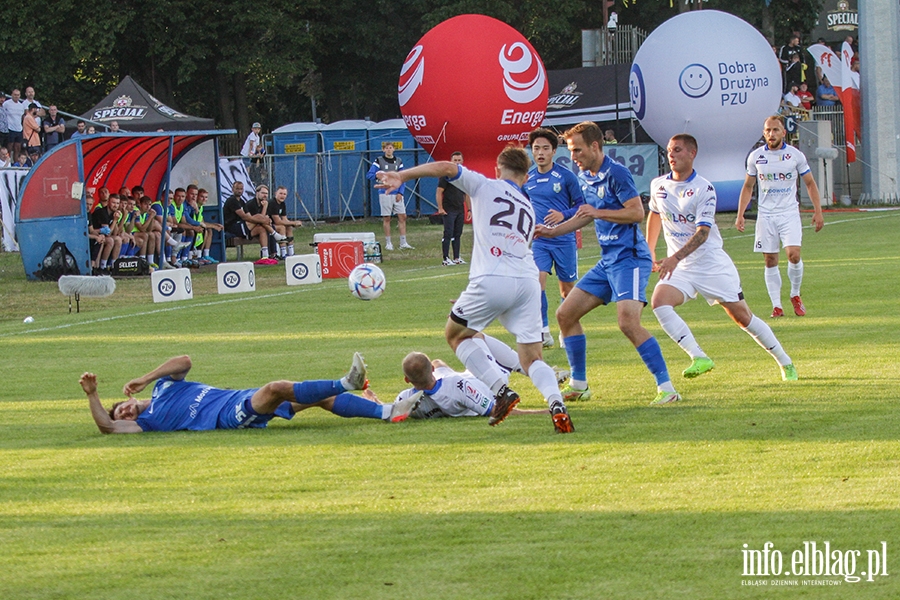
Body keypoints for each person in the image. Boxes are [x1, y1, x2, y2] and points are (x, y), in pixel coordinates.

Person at [377, 146, 574, 433]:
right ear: (526, 176)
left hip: (493, 276)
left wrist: (402, 176)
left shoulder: (485, 184)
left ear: (497, 168)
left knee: (456, 335)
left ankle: (501, 391)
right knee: (532, 358)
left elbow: (446, 168)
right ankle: (557, 404)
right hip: (528, 282)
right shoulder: (528, 207)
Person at [534, 121, 681, 406]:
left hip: (630, 259)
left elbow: (636, 212)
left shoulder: (617, 173)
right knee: (565, 314)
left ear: (595, 146)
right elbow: (585, 215)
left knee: (627, 321)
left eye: (577, 150)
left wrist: (597, 211)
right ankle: (579, 384)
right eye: (570, 150)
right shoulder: (586, 175)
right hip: (608, 261)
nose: (573, 156)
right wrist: (553, 231)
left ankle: (667, 388)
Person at [647, 134, 799, 382]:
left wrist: (673, 258)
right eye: (669, 151)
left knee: (743, 318)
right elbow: (655, 214)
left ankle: (786, 362)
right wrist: (650, 250)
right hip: (682, 267)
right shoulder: (658, 185)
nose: (671, 155)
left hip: (711, 265)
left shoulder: (704, 189)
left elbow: (703, 233)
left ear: (692, 153)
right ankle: (698, 356)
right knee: (660, 303)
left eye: (677, 150)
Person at [78, 353, 423, 434]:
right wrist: (94, 396)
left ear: (128, 398)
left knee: (315, 398)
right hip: (229, 416)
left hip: (236, 396)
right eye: (122, 415)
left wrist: (144, 377)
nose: (123, 414)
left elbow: (184, 360)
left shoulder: (164, 386)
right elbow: (108, 428)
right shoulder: (150, 421)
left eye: (120, 408)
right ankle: (347, 382)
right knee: (275, 388)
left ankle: (385, 412)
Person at [736, 115, 824, 318]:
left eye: (775, 130)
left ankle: (795, 294)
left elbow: (810, 183)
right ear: (763, 133)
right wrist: (740, 214)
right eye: (768, 130)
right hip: (766, 215)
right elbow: (748, 186)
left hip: (789, 213)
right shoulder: (755, 157)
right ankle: (777, 306)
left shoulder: (795, 155)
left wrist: (818, 211)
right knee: (769, 260)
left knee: (793, 254)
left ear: (784, 132)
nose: (771, 134)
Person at [395, 335, 555, 420]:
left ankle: (544, 371)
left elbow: (390, 412)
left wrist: (371, 397)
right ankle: (544, 373)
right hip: (487, 381)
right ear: (430, 370)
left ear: (407, 380)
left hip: (456, 378)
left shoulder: (406, 399)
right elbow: (496, 411)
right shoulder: (456, 387)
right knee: (476, 336)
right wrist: (543, 412)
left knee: (439, 362)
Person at [525, 127, 585, 349]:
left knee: (567, 290)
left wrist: (563, 215)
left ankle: (565, 329)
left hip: (564, 239)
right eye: (536, 148)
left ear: (553, 151)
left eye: (545, 148)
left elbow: (581, 206)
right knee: (537, 283)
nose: (540, 152)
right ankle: (543, 331)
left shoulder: (566, 177)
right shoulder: (527, 178)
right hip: (539, 241)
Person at [222, 181, 285, 265]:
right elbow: (245, 217)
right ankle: (274, 234)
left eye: (241, 189)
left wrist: (263, 220)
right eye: (237, 189)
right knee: (259, 217)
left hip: (245, 226)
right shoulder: (232, 200)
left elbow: (249, 216)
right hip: (233, 227)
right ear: (233, 189)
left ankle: (265, 256)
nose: (240, 191)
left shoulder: (242, 201)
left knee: (262, 229)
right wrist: (263, 220)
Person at [366, 142, 413, 251]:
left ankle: (403, 242)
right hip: (385, 193)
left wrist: (400, 192)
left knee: (402, 216)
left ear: (393, 149)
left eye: (390, 148)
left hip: (397, 193)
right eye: (386, 148)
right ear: (383, 150)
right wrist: (379, 178)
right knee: (387, 217)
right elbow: (370, 175)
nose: (388, 150)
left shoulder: (398, 161)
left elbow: (403, 177)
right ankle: (388, 242)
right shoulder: (379, 161)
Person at [436, 151, 469, 265]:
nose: (457, 162)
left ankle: (456, 257)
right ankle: (445, 258)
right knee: (448, 233)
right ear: (451, 161)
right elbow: (439, 191)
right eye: (455, 160)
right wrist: (440, 208)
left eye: (459, 160)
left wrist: (468, 209)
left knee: (458, 233)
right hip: (448, 208)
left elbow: (466, 193)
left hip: (459, 208)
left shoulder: (463, 176)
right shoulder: (446, 176)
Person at [266, 185, 303, 259]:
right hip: (268, 226)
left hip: (275, 224)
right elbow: (277, 221)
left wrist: (293, 223)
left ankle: (291, 252)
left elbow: (284, 219)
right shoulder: (272, 203)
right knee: (282, 227)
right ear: (275, 193)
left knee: (288, 227)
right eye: (280, 193)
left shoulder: (282, 204)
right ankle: (283, 253)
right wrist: (293, 223)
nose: (282, 196)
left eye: (284, 194)